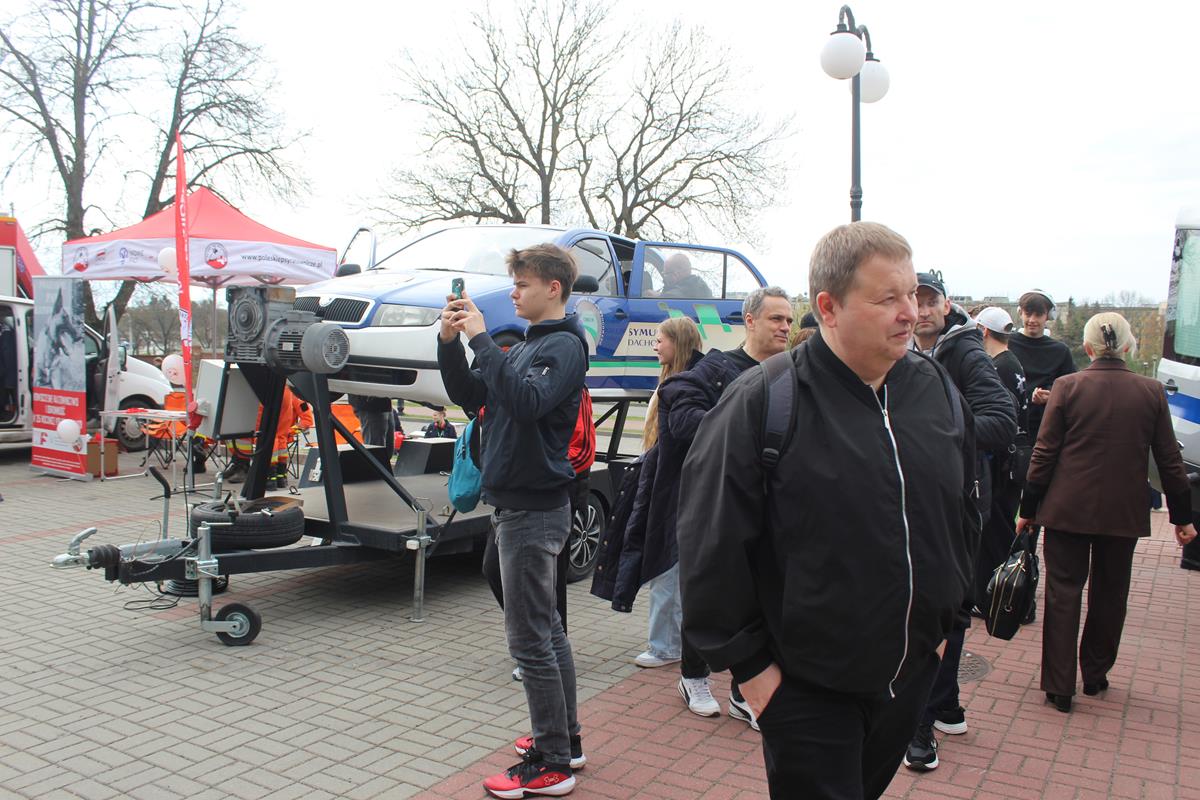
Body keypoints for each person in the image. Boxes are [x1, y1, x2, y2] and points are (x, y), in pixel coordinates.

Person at [678, 222, 977, 800]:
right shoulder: (765, 400)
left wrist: (947, 625)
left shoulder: (936, 389)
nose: (910, 313)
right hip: (806, 693)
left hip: (910, 677)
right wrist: (754, 674)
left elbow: (962, 509)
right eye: (887, 298)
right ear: (829, 307)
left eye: (912, 294)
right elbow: (708, 546)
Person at [437, 243, 588, 798]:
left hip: (533, 508)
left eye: (522, 284)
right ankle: (564, 739)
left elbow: (526, 403)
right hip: (515, 505)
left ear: (553, 288)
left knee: (530, 641)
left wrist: (481, 338)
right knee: (546, 631)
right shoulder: (525, 346)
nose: (514, 294)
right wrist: (450, 342)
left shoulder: (565, 346)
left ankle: (552, 761)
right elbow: (469, 393)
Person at [1016, 313, 1197, 713]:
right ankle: (1095, 673)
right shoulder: (1151, 392)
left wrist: (1028, 508)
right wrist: (1182, 517)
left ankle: (1059, 684)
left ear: (1087, 348)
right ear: (1128, 347)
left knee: (1063, 592)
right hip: (1123, 510)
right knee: (1111, 593)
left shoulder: (1067, 387)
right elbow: (1169, 460)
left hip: (1066, 507)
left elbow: (1044, 453)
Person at [644, 287, 792, 726]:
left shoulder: (793, 373)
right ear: (750, 320)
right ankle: (693, 677)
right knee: (711, 596)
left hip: (774, 509)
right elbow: (680, 412)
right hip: (721, 507)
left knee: (764, 599)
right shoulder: (718, 368)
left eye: (788, 320)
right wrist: (740, 431)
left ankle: (744, 692)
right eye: (776, 319)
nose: (785, 327)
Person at [904, 273, 1016, 771]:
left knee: (937, 609)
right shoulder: (907, 349)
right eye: (916, 300)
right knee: (942, 606)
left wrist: (934, 429)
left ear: (946, 305)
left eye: (931, 300)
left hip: (956, 500)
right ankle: (946, 705)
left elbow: (1002, 420)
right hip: (919, 498)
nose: (923, 309)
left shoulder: (964, 351)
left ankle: (920, 724)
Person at [625, 318, 703, 669]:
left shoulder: (686, 386)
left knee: (668, 566)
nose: (655, 346)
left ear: (678, 343)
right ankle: (671, 641)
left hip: (676, 490)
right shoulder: (670, 380)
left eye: (660, 340)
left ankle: (666, 645)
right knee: (668, 566)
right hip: (664, 485)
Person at [972, 306, 1029, 609]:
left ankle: (999, 597)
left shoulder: (997, 367)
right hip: (1013, 460)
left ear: (983, 331)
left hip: (1002, 462)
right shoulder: (1011, 362)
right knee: (1001, 528)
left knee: (996, 532)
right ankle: (1006, 596)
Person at [347, 393, 396, 462]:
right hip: (369, 403)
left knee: (387, 450)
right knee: (375, 451)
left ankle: (382, 466)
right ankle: (374, 467)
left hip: (383, 401)